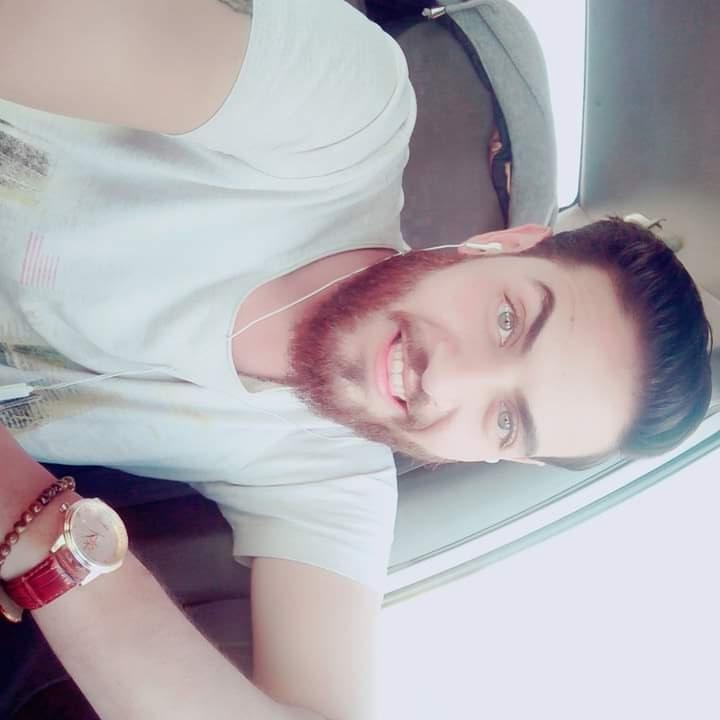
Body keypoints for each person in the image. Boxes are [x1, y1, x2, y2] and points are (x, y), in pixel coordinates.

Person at [0, 2, 712, 719]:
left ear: (500, 457)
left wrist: (34, 524)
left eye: (504, 420)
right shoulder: (345, 117)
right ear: (506, 244)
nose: (446, 380)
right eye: (509, 320)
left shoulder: (333, 481)